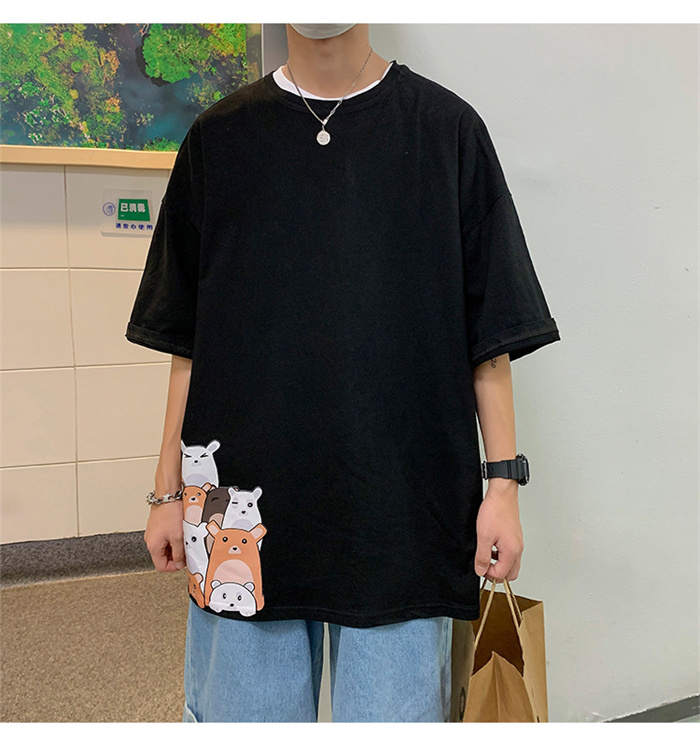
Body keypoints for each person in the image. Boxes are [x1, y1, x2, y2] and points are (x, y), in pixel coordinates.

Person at [126, 23, 561, 722]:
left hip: (403, 510)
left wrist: (502, 485)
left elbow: (491, 334)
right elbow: (188, 340)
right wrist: (165, 491)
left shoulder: (446, 131)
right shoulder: (219, 139)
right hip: (240, 508)